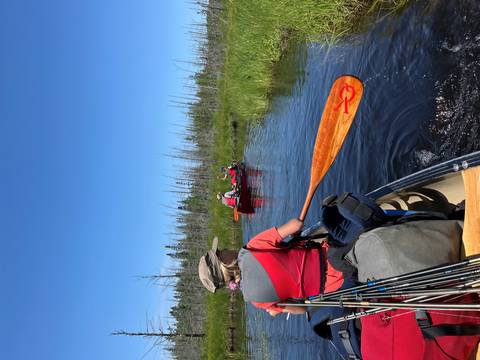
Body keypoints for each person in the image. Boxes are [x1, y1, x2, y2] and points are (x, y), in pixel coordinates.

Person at [198, 218, 344, 316]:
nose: (224, 249)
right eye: (220, 252)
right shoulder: (250, 249)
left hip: (331, 286)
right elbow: (296, 224)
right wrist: (294, 231)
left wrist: (276, 309)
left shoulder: (256, 301)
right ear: (223, 261)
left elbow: (302, 309)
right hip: (330, 255)